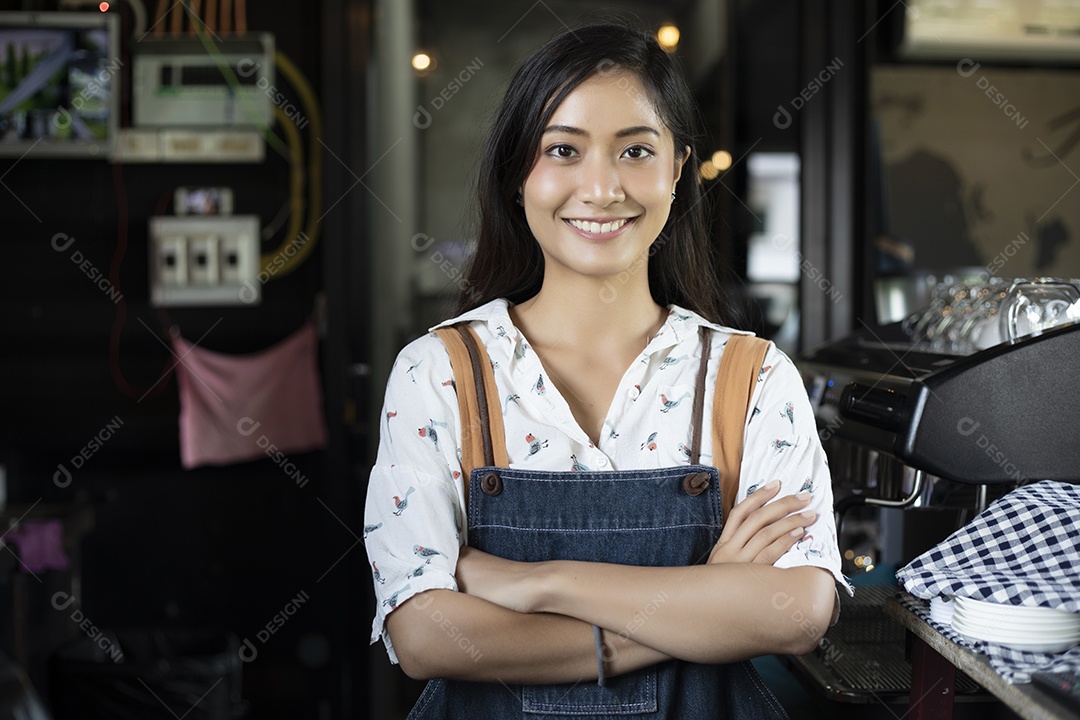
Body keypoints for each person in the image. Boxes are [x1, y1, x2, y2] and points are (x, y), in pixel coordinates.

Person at [364, 20, 850, 719]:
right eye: (563, 149)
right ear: (517, 175)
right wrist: (700, 603)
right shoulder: (438, 372)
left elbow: (798, 609)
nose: (601, 187)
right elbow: (426, 637)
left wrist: (542, 584)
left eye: (635, 151)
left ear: (678, 169)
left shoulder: (751, 377)